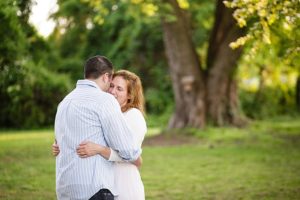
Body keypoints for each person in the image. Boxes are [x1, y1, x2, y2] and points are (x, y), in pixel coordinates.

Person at [54, 56, 141, 200]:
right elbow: (129, 151)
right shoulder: (104, 100)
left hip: (65, 189)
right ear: (106, 76)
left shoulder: (65, 102)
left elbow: (59, 143)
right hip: (93, 190)